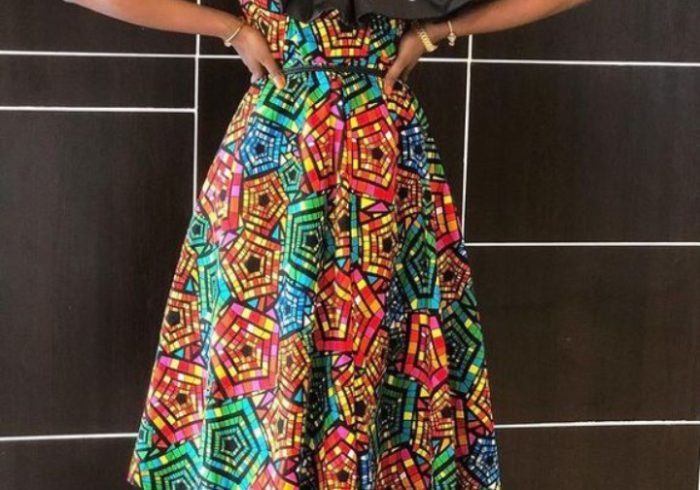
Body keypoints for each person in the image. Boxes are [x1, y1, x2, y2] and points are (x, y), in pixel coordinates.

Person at [65, 0, 590, 488]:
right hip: (324, 159)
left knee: (324, 351)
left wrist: (441, 30)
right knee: (283, 347)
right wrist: (231, 29)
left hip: (325, 155)